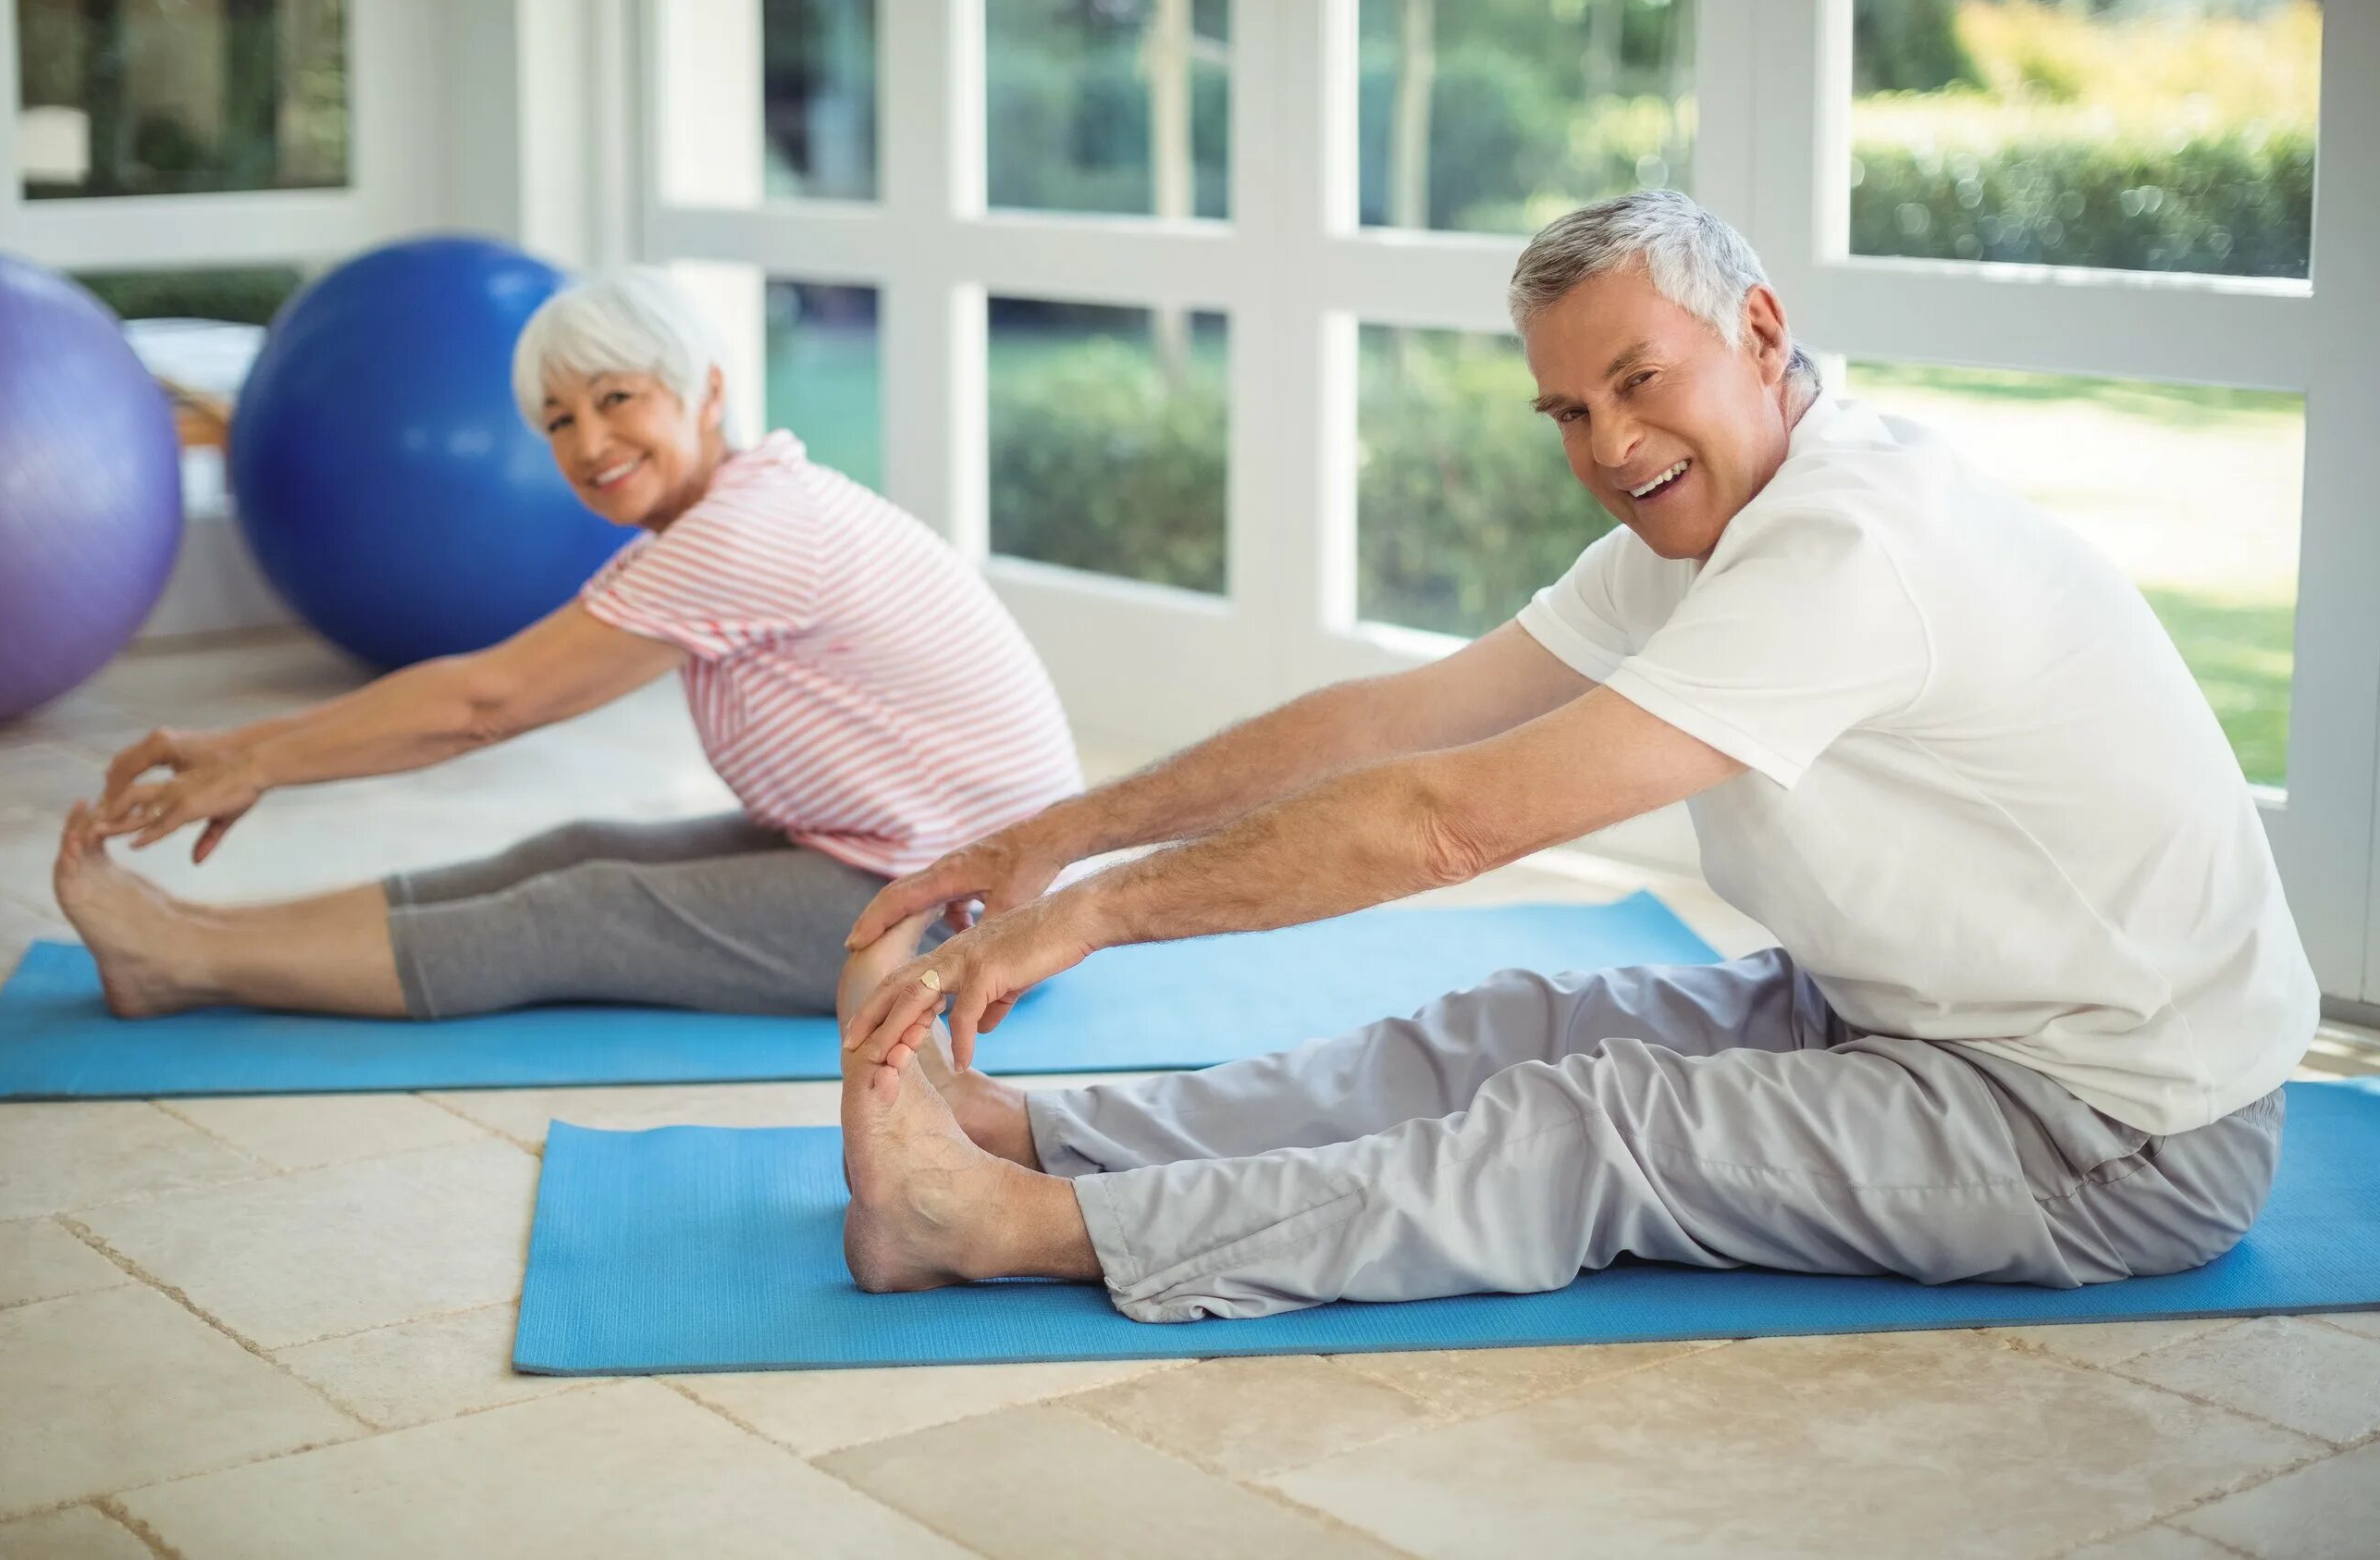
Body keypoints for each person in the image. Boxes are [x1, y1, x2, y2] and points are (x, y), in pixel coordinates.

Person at [828, 189, 2317, 1321]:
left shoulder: (1853, 545)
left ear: (1759, 329)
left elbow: (1443, 824)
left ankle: (1001, 1226)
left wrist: (1090, 913)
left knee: (1588, 1130)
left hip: (2110, 1115)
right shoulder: (1694, 523)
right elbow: (1393, 724)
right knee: (1518, 1028)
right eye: (1568, 411)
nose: (1608, 444)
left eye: (1638, 379)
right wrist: (1065, 831)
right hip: (1906, 1016)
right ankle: (1039, 1130)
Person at [55, 265, 1081, 1021]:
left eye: (617, 398)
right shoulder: (746, 505)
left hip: (965, 915)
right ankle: (204, 940)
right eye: (557, 418)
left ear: (706, 392)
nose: (589, 444)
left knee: (584, 908)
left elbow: (485, 703)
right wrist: (247, 753)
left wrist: (252, 761)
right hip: (913, 861)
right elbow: (483, 694)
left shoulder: (744, 531)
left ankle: (183, 955)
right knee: (575, 849)